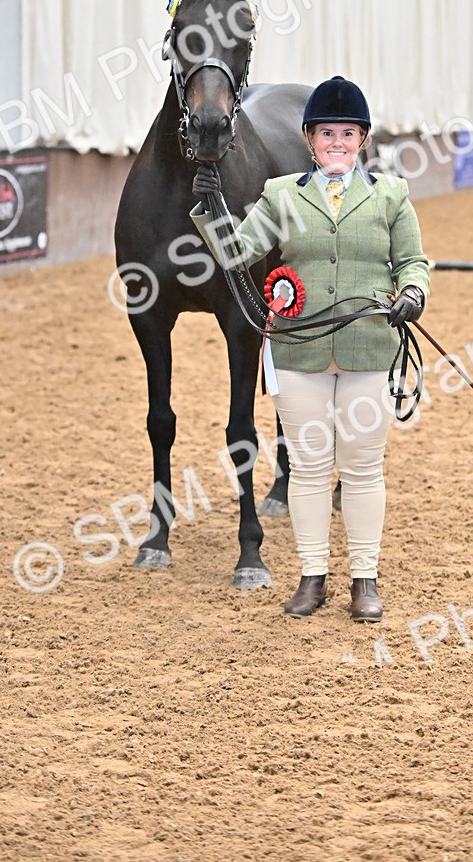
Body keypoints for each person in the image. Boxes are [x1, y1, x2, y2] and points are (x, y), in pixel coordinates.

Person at [190, 76, 429, 622]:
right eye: (327, 133)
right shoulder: (281, 195)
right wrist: (209, 210)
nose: (337, 143)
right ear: (309, 139)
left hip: (369, 346)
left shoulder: (392, 196)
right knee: (309, 468)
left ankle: (364, 580)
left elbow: (413, 262)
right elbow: (237, 252)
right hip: (300, 351)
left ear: (362, 139)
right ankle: (312, 577)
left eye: (348, 133)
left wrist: (414, 293)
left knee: (364, 468)